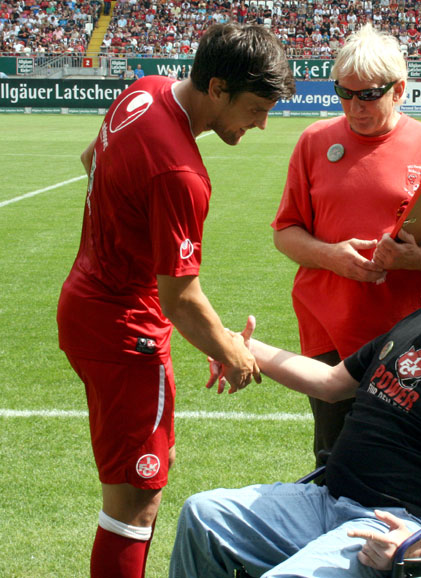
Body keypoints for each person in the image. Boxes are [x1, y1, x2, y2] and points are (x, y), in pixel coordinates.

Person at [56, 23, 295, 578]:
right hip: (125, 332)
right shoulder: (181, 171)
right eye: (256, 109)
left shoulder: (144, 88)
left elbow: (93, 162)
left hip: (87, 306)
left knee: (136, 482)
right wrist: (232, 350)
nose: (260, 124)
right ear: (217, 87)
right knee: (135, 501)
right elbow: (181, 298)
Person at [169, 259, 421, 578]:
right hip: (328, 500)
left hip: (388, 527)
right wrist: (240, 348)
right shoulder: (419, 325)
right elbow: (331, 383)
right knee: (203, 515)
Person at [272, 23, 421, 466]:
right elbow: (286, 232)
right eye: (344, 94)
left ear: (399, 90)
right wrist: (332, 257)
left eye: (368, 94)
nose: (355, 106)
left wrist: (417, 259)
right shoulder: (314, 142)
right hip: (328, 329)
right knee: (335, 456)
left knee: (408, 457)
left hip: (411, 331)